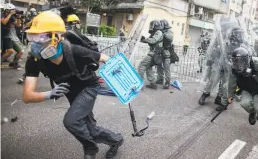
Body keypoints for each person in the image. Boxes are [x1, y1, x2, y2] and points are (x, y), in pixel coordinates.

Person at [22, 11, 123, 159]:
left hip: (88, 87)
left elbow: (104, 58)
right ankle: (117, 140)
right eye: (32, 37)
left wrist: (125, 82)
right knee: (90, 130)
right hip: (72, 93)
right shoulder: (34, 61)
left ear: (56, 37)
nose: (36, 43)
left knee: (71, 121)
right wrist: (48, 94)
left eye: (41, 37)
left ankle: (90, 149)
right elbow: (27, 96)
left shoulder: (74, 51)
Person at [138, 20, 163, 89]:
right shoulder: (156, 32)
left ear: (154, 25)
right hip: (154, 53)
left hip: (154, 53)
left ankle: (139, 84)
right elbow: (151, 41)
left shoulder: (158, 32)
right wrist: (142, 39)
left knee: (142, 65)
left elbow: (153, 40)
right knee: (148, 66)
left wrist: (145, 39)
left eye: (151, 25)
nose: (151, 27)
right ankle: (153, 83)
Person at [156, 19, 173, 89]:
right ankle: (160, 79)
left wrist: (163, 33)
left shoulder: (169, 32)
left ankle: (167, 82)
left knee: (166, 68)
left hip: (166, 52)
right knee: (159, 66)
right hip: (160, 52)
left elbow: (170, 38)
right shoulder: (160, 32)